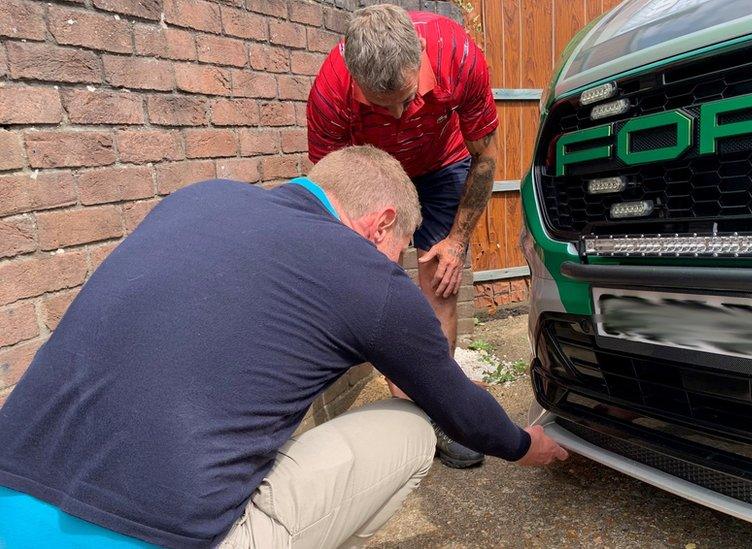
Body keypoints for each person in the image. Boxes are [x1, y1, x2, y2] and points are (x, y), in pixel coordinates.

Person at [0, 146, 567, 549]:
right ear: (380, 223)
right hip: (167, 537)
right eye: (396, 251)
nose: (394, 266)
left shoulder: (198, 199)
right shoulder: (364, 274)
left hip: (9, 501)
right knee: (411, 429)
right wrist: (525, 444)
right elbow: (462, 411)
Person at [306, 5, 501, 467]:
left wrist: (456, 241)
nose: (397, 113)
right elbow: (331, 188)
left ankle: (440, 408)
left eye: (407, 95)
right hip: (371, 171)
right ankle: (414, 413)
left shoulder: (458, 53)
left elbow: (487, 157)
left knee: (441, 280)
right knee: (378, 291)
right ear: (355, 79)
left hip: (444, 161)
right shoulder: (330, 94)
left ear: (419, 58)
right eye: (380, 103)